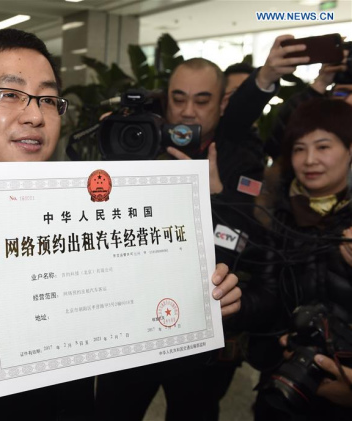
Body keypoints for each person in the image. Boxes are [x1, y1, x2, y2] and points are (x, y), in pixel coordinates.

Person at [0, 28, 241, 420]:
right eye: (10, 94)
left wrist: (194, 310)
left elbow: (128, 350)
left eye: (49, 99)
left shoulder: (88, 225)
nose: (35, 115)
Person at [95, 35, 309, 421]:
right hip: (130, 328)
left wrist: (216, 197)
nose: (188, 111)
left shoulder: (241, 157)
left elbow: (256, 242)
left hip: (204, 335)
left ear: (222, 103)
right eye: (178, 98)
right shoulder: (140, 142)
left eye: (203, 100)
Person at [235, 98, 352, 421]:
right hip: (286, 383)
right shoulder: (277, 218)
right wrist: (234, 306)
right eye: (299, 149)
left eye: (323, 146)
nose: (310, 160)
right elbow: (267, 296)